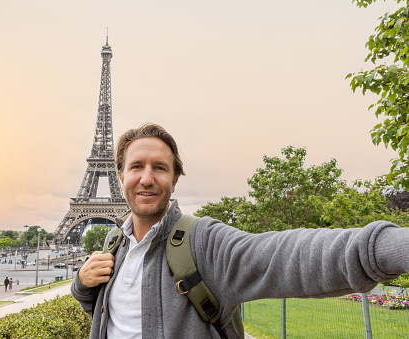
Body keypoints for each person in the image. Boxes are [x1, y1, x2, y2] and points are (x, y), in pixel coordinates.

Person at [71, 123, 409, 339]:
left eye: (160, 168)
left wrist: (388, 248)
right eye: (137, 167)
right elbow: (116, 314)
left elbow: (285, 256)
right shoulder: (115, 243)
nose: (147, 178)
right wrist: (82, 285)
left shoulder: (202, 243)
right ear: (120, 176)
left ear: (174, 180)